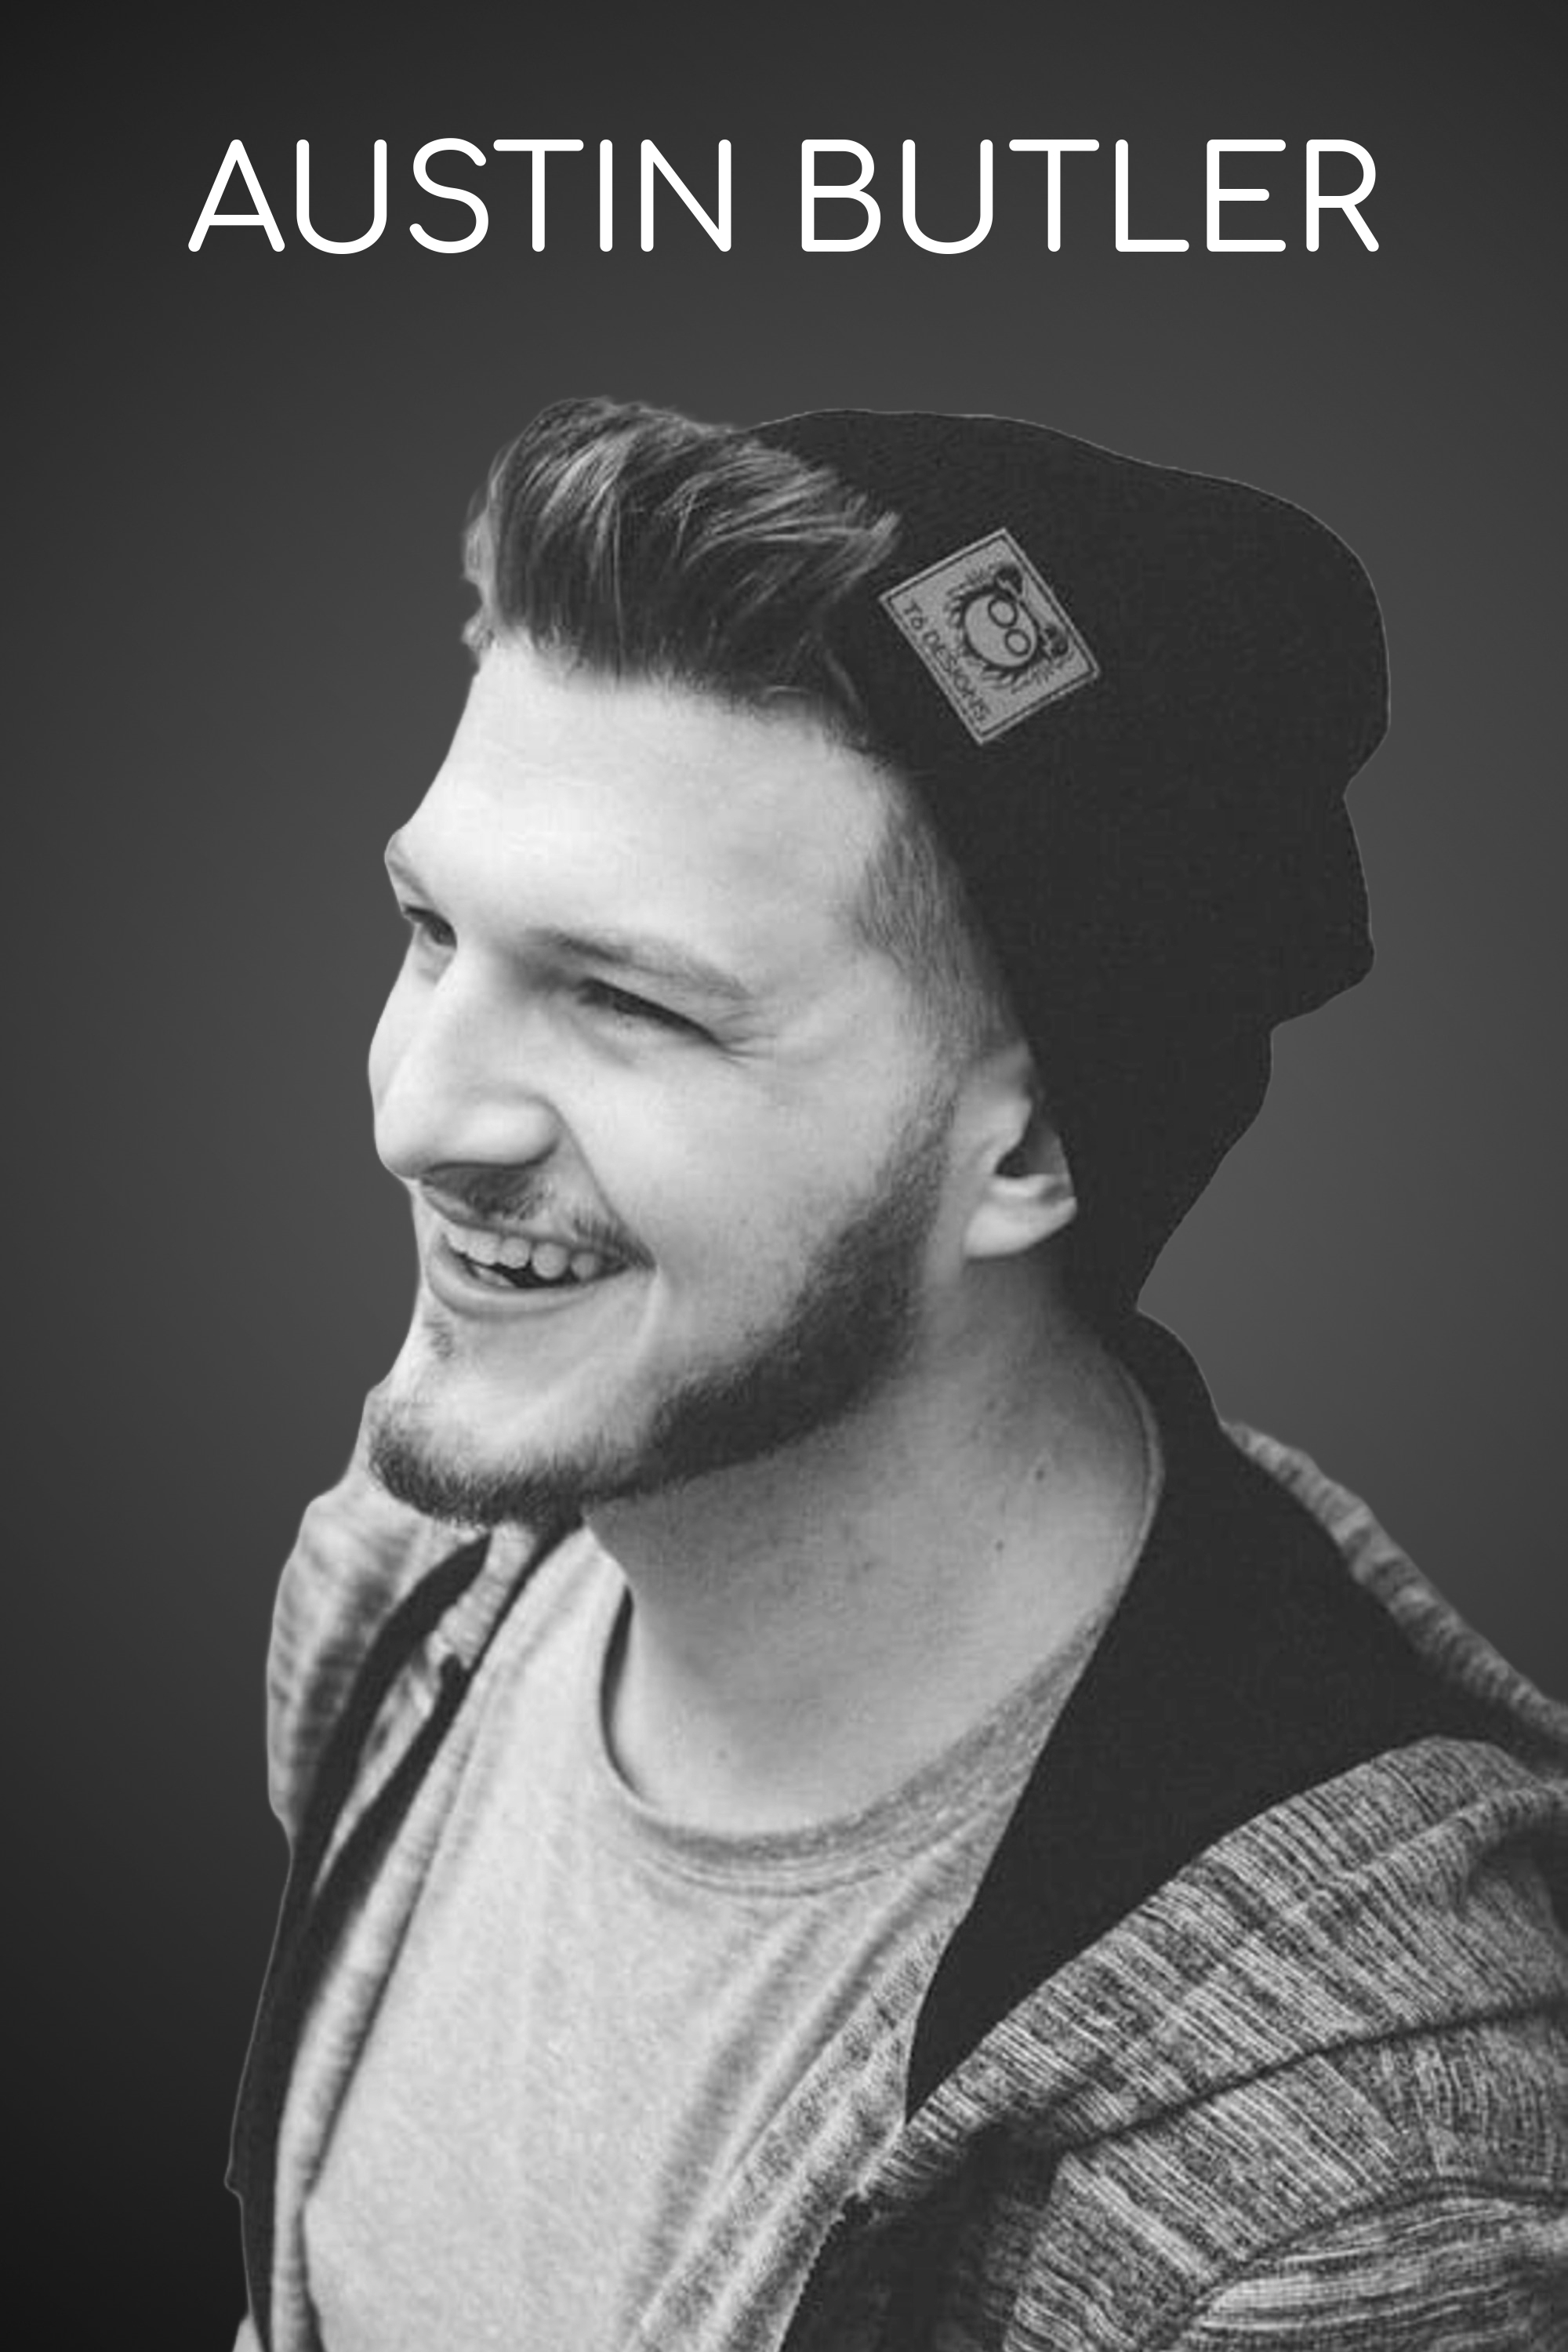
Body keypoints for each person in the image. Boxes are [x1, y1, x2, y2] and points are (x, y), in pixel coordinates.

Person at [229, 399, 1568, 2351]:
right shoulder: (412, 1581)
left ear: (1029, 1149)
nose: (417, 1115)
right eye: (432, 930)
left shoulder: (1337, 2204)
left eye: (625, 1001)